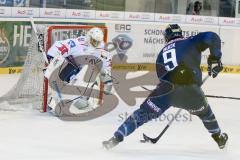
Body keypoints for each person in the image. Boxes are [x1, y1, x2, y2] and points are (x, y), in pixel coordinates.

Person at [102, 24, 228, 150]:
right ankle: (219, 137)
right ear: (180, 34)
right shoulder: (190, 41)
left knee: (141, 114)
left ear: (167, 37)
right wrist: (215, 59)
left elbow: (162, 78)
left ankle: (116, 138)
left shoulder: (161, 55)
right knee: (206, 114)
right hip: (191, 92)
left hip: (165, 93)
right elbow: (212, 36)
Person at [44, 27, 113, 110]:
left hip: (84, 75)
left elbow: (106, 67)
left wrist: (108, 81)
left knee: (93, 71)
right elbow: (59, 46)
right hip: (69, 70)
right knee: (61, 64)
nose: (95, 43)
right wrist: (51, 59)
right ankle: (55, 100)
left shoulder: (103, 50)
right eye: (93, 40)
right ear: (88, 37)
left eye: (97, 41)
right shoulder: (77, 43)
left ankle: (82, 99)